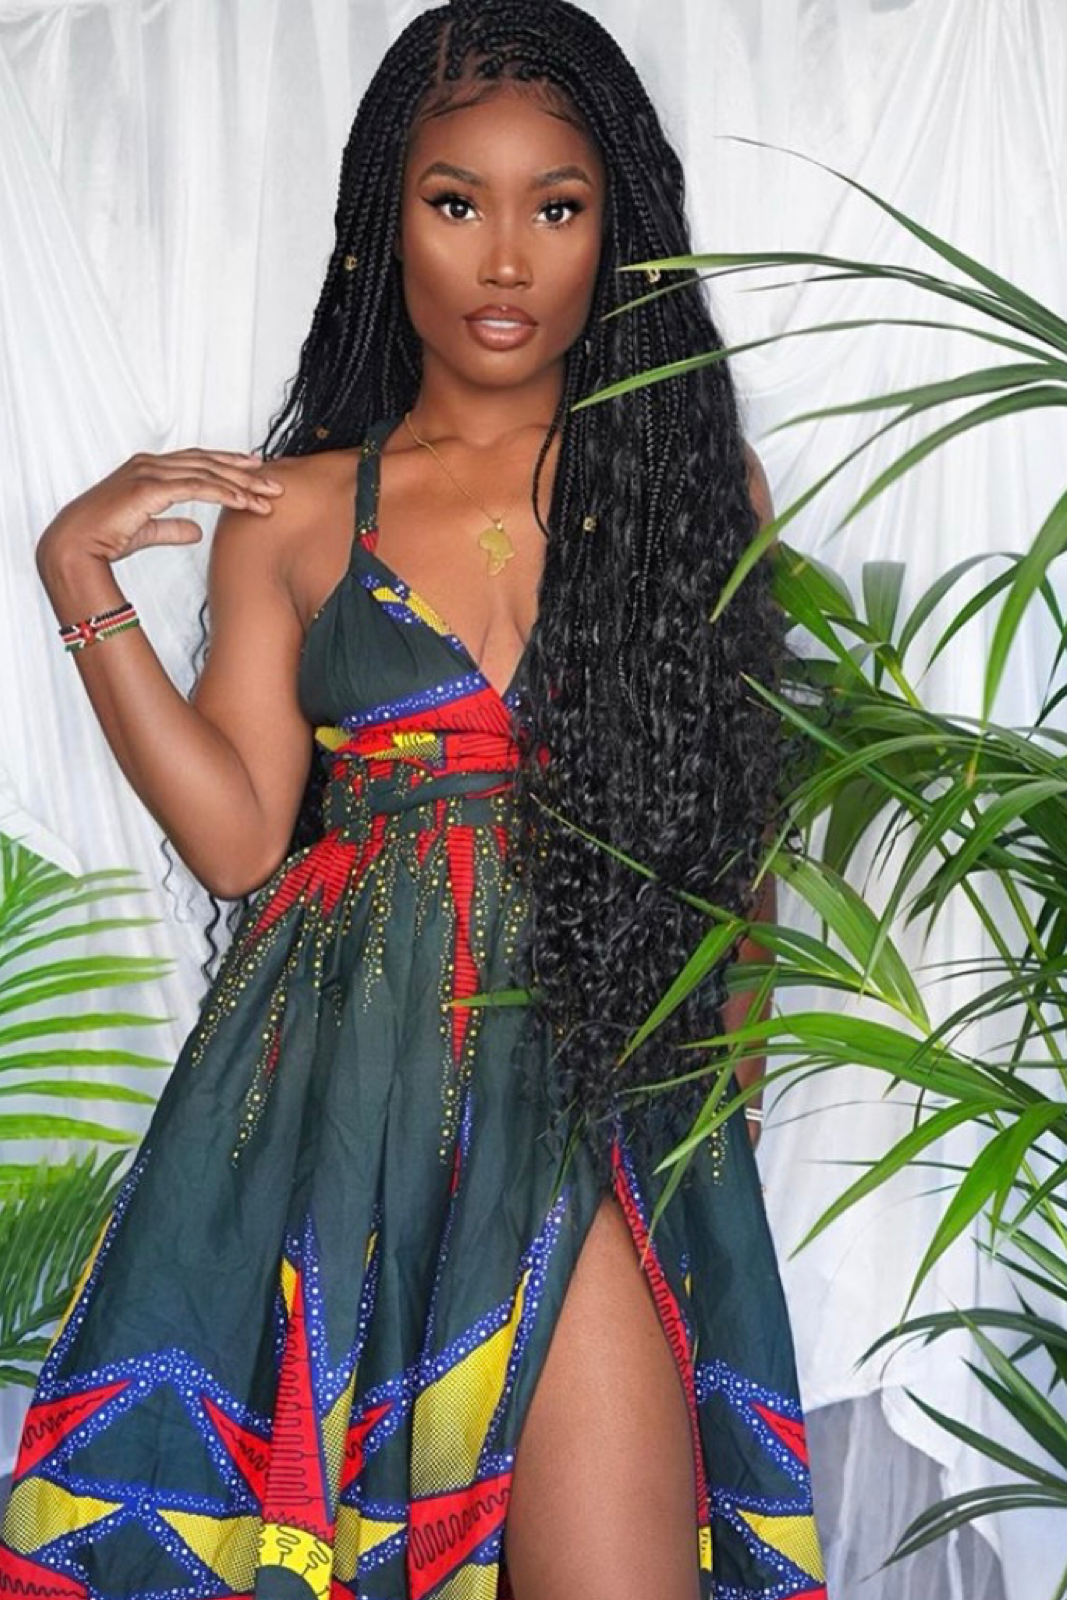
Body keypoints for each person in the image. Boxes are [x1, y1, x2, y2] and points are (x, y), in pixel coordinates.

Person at [0, 4, 824, 1598]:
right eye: (456, 202)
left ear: (617, 229)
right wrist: (77, 576)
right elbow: (239, 838)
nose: (505, 259)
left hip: (595, 1089)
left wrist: (706, 1120)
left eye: (556, 207)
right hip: (346, 1105)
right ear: (386, 223)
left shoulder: (689, 487)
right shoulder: (298, 511)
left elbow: (738, 846)